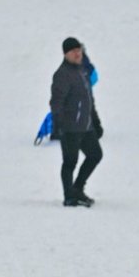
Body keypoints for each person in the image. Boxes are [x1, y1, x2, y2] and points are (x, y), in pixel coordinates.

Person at [50, 37, 103, 207]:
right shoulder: (62, 74)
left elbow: (89, 99)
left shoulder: (83, 71)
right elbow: (56, 102)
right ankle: (69, 196)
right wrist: (58, 126)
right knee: (70, 161)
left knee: (95, 155)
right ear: (66, 54)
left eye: (79, 50)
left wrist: (95, 121)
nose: (77, 53)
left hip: (86, 126)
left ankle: (77, 188)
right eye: (73, 51)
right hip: (70, 127)